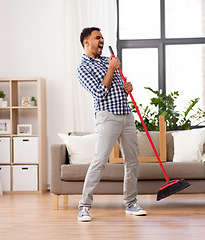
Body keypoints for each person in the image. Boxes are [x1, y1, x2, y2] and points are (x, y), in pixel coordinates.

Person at [76, 27, 147, 222]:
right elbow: (99, 93)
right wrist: (111, 68)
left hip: (126, 116)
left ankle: (131, 204)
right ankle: (84, 207)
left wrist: (126, 88)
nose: (101, 41)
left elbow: (116, 90)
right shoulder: (84, 68)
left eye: (102, 38)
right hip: (107, 118)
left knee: (132, 161)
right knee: (99, 161)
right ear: (86, 43)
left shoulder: (109, 63)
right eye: (97, 38)